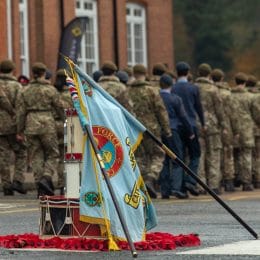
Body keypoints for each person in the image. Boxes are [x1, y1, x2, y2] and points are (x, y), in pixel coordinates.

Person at [16, 62, 64, 197]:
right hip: (47, 122)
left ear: (33, 73)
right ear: (44, 73)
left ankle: (40, 188)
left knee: (36, 155)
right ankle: (46, 177)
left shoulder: (25, 90)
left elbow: (20, 112)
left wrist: (19, 130)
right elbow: (59, 108)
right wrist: (66, 120)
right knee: (53, 153)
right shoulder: (50, 90)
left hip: (31, 122)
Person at [128, 64, 171, 198]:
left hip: (134, 127)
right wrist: (167, 129)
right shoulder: (152, 90)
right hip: (151, 128)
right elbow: (160, 111)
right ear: (145, 73)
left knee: (139, 157)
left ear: (134, 74)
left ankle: (141, 183)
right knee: (158, 154)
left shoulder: (127, 91)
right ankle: (150, 178)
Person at [172, 61, 205, 196]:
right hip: (190, 124)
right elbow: (198, 107)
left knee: (179, 156)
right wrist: (203, 123)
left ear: (176, 72)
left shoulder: (173, 88)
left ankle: (178, 187)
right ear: (188, 72)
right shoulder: (193, 88)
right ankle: (190, 181)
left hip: (176, 125)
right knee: (195, 154)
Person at [159, 74, 195, 199]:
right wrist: (190, 131)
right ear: (171, 84)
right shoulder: (175, 99)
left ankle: (165, 189)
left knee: (163, 160)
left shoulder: (157, 97)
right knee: (177, 159)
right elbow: (183, 117)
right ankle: (176, 187)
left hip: (158, 131)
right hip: (173, 130)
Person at [195, 64, 227, 195]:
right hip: (212, 125)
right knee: (214, 155)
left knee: (200, 155)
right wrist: (224, 125)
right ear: (209, 74)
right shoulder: (213, 89)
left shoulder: (193, 87)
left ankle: (200, 185)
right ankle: (214, 185)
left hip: (197, 124)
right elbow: (220, 110)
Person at [0, 59, 28, 195]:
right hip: (12, 124)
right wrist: (20, 129)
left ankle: (6, 184)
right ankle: (17, 180)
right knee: (21, 152)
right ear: (12, 70)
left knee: (3, 155)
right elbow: (20, 108)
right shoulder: (17, 86)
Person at [229, 72, 256, 191]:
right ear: (245, 83)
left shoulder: (229, 95)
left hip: (232, 129)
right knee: (247, 155)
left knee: (233, 154)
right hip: (247, 129)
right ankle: (247, 182)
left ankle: (235, 177)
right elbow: (256, 113)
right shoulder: (250, 97)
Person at [211, 68, 235, 192]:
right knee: (227, 153)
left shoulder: (208, 90)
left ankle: (216, 180)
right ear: (222, 78)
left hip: (212, 126)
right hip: (226, 126)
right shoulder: (227, 93)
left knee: (214, 154)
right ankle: (229, 181)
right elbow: (232, 113)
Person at [53, 69, 73, 194]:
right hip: (69, 124)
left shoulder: (53, 92)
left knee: (59, 157)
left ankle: (60, 184)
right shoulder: (72, 93)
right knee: (69, 157)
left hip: (53, 126)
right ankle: (69, 183)